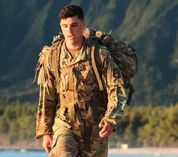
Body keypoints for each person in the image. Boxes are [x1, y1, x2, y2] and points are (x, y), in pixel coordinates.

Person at [35, 4, 127, 157]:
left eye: (74, 25)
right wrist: (45, 132)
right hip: (64, 124)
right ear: (60, 26)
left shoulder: (98, 54)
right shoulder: (53, 55)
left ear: (83, 24)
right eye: (65, 26)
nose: (69, 31)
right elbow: (47, 96)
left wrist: (111, 119)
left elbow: (116, 88)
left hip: (96, 127)